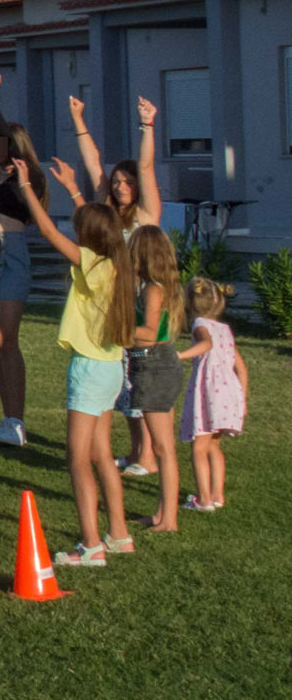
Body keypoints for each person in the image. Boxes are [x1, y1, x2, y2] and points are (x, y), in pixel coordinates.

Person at [12, 160, 133, 568]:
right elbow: (101, 220)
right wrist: (73, 187)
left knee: (78, 459)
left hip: (89, 368)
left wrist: (27, 186)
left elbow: (47, 232)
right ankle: (119, 533)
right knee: (101, 454)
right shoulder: (117, 263)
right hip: (113, 367)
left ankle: (91, 544)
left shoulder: (92, 264)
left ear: (88, 239)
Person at [68, 95, 164, 477]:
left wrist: (147, 126)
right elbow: (93, 163)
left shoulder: (146, 213)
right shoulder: (107, 213)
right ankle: (138, 451)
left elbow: (147, 164)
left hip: (140, 299)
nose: (122, 186)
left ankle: (149, 456)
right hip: (113, 302)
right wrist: (78, 118)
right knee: (121, 381)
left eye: (128, 181)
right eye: (118, 182)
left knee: (138, 377)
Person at [0, 114, 48, 447]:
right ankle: (7, 419)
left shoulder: (27, 177)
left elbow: (7, 137)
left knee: (7, 337)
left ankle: (17, 420)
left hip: (14, 251)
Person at [121, 225, 185, 534]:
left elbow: (148, 333)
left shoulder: (152, 289)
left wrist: (115, 331)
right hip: (154, 366)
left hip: (154, 366)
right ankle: (162, 513)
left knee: (163, 448)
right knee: (163, 447)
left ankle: (168, 519)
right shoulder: (154, 286)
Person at [177, 278, 245, 511]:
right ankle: (218, 495)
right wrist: (241, 398)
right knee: (214, 446)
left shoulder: (199, 324)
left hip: (209, 391)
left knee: (199, 446)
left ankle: (203, 499)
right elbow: (241, 367)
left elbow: (205, 343)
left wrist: (181, 356)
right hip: (228, 392)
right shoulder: (224, 329)